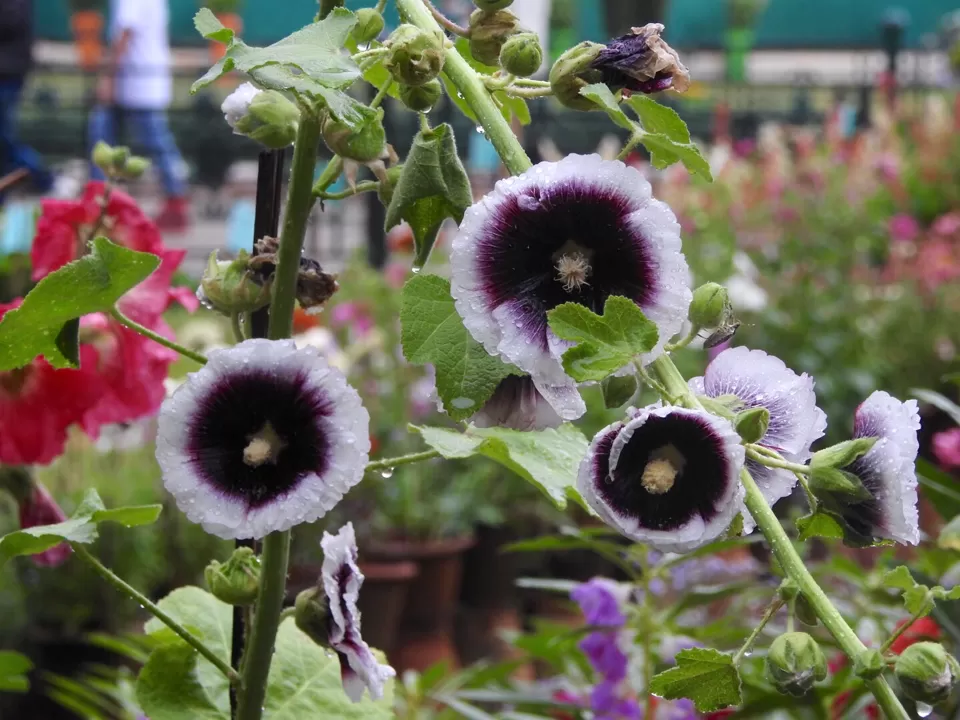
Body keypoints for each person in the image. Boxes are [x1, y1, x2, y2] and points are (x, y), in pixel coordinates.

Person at [89, 0, 189, 231]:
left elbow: (125, 32)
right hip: (141, 80)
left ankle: (101, 200)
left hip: (136, 81)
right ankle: (103, 200)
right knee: (151, 143)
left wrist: (108, 77)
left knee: (151, 143)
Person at [0, 0, 53, 203]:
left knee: (4, 137)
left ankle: (43, 177)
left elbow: (10, 20)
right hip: (9, 70)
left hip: (7, 73)